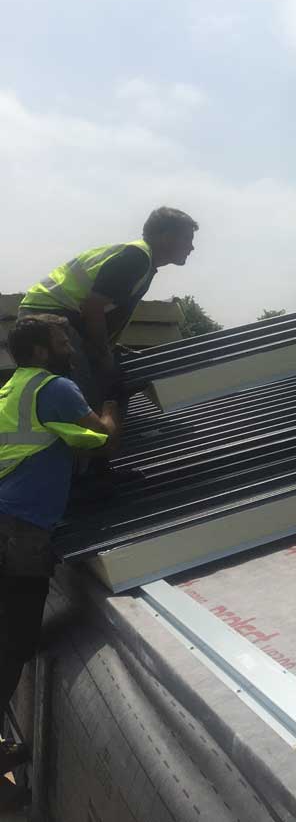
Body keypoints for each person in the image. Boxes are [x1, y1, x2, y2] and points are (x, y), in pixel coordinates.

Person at [0, 315, 118, 793]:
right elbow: (104, 438)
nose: (69, 347)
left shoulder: (12, 390)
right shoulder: (55, 388)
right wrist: (112, 405)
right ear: (41, 352)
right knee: (13, 642)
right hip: (20, 533)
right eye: (61, 340)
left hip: (6, 522)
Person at [17, 207, 198, 409]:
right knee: (85, 393)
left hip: (57, 313)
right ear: (166, 237)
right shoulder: (136, 259)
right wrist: (103, 353)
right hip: (48, 314)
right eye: (187, 239)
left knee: (95, 383)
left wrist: (107, 347)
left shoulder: (142, 260)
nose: (191, 247)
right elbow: (92, 307)